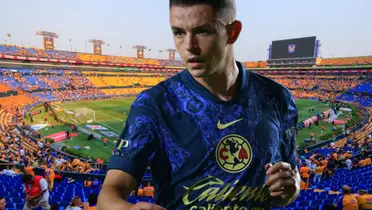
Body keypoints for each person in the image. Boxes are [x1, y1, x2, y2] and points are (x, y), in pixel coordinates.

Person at [97, 0, 300, 209]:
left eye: (202, 31)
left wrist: (292, 187)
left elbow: (292, 180)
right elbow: (108, 195)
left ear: (232, 32)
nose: (189, 46)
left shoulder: (278, 98)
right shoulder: (154, 104)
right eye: (178, 33)